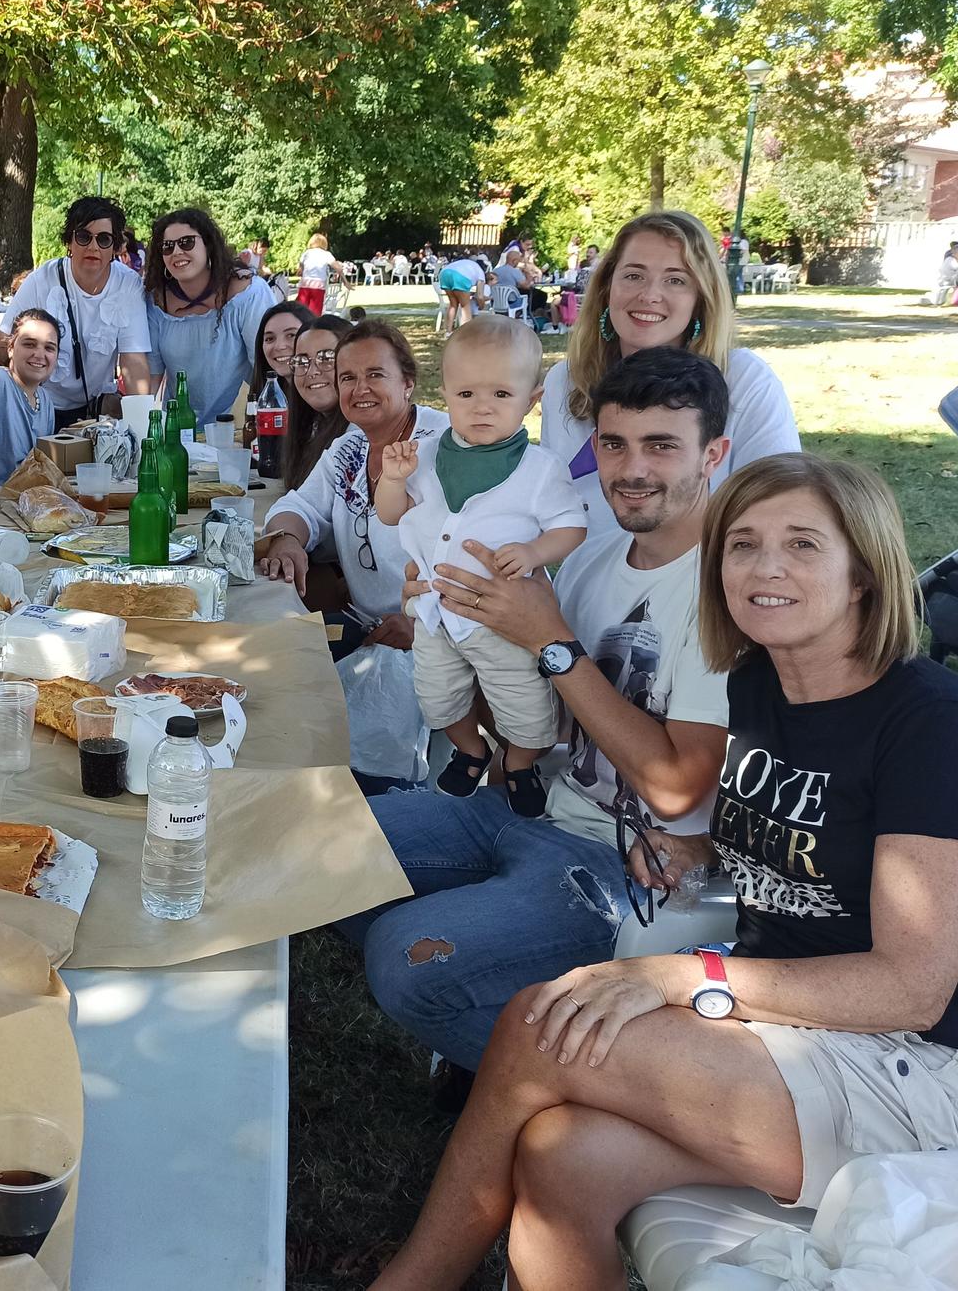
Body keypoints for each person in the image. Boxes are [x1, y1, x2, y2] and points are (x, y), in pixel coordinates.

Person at [367, 452, 958, 1291]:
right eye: (743, 545)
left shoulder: (933, 729)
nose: (766, 568)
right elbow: (819, 841)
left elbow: (911, 988)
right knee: (563, 1158)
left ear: (866, 574)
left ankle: (412, 1281)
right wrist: (703, 851)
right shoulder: (765, 682)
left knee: (538, 1025)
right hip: (808, 1039)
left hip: (949, 1077)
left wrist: (684, 978)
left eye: (804, 545)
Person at [346, 348, 736, 1093]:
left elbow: (679, 790)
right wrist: (447, 622)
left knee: (404, 957)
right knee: (325, 848)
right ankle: (508, 1007)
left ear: (713, 453)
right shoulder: (592, 556)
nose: (631, 469)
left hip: (622, 859)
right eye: (614, 445)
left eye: (662, 446)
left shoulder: (726, 585)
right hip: (531, 798)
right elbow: (537, 715)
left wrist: (549, 643)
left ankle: (601, 1085)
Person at [375, 317, 587, 816]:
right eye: (466, 394)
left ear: (531, 400)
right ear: (444, 393)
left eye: (500, 394)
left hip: (501, 620)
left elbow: (571, 527)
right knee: (437, 699)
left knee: (526, 705)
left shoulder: (541, 470)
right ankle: (472, 750)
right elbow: (391, 513)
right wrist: (392, 479)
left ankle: (519, 762)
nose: (482, 407)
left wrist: (535, 553)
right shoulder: (424, 456)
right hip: (432, 609)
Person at [261, 320, 449, 773]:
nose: (359, 388)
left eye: (375, 375)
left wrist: (423, 624)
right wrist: (287, 539)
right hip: (366, 629)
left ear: (407, 382)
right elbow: (300, 505)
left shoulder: (445, 448)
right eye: (348, 378)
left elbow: (476, 554)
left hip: (435, 639)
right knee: (266, 669)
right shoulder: (350, 446)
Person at [542, 210, 798, 540]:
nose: (649, 295)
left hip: (707, 581)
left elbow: (782, 506)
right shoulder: (566, 381)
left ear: (700, 299)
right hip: (589, 584)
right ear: (607, 288)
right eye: (633, 275)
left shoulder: (744, 380)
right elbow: (553, 508)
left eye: (675, 280)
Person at [0, 195, 153, 427]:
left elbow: (134, 361)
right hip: (38, 404)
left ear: (115, 247)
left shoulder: (128, 285)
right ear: (69, 241)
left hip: (94, 412)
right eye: (84, 236)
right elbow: (1, 344)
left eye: (104, 239)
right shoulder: (41, 280)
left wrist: (144, 429)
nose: (93, 247)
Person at [143, 206, 277, 426]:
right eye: (167, 247)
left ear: (208, 245)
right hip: (178, 431)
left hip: (235, 428)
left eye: (186, 242)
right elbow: (151, 378)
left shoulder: (248, 293)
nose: (176, 252)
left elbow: (266, 368)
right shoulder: (156, 301)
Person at [0, 308, 61, 502]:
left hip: (22, 506)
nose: (39, 354)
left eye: (49, 348)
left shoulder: (46, 402)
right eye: (29, 344)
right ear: (10, 348)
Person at [281, 313, 354, 496]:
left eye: (327, 358)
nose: (312, 372)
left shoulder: (360, 436)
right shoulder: (312, 428)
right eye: (302, 361)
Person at [250, 298, 311, 396]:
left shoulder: (328, 400)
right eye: (270, 339)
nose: (279, 346)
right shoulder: (266, 399)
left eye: (291, 335)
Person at [435, 253, 487, 332]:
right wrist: (481, 306)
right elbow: (480, 296)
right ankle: (465, 332)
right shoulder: (481, 273)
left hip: (445, 273)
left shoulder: (468, 263)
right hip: (460, 276)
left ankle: (448, 331)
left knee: (453, 304)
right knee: (465, 306)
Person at [297, 232, 339, 315]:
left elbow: (300, 270)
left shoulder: (306, 253)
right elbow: (337, 267)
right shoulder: (326, 254)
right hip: (318, 284)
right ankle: (314, 325)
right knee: (315, 311)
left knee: (301, 310)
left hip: (305, 283)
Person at [490, 247, 529, 314]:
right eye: (518, 261)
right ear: (514, 261)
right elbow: (525, 286)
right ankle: (518, 315)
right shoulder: (515, 271)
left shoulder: (495, 271)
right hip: (511, 302)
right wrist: (528, 274)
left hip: (495, 302)